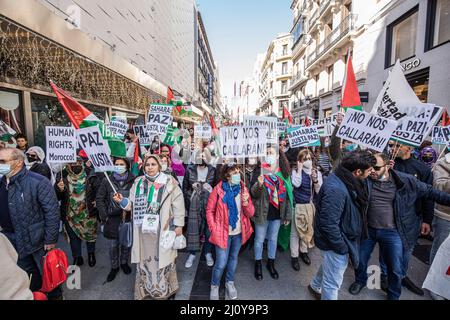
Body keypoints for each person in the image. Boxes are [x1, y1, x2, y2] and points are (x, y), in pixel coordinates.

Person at [348, 152, 450, 300]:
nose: (372, 171)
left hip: (393, 232)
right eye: (369, 168)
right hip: (368, 230)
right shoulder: (365, 181)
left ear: (388, 166)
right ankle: (360, 281)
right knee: (360, 260)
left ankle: (393, 294)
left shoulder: (405, 181)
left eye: (376, 168)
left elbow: (430, 192)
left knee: (395, 268)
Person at [113, 155, 185, 300]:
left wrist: (179, 225)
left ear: (159, 166)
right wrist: (122, 201)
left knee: (164, 261)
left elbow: (179, 205)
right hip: (143, 232)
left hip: (163, 230)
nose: (150, 167)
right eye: (147, 165)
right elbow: (131, 206)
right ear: (143, 167)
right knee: (146, 262)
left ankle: (167, 290)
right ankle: (145, 290)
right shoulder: (138, 182)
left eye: (153, 164)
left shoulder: (170, 182)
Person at [309, 150, 376, 300]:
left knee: (330, 264)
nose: (372, 173)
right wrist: (341, 247)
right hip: (337, 242)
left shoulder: (345, 178)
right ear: (358, 172)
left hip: (343, 237)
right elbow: (329, 224)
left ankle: (314, 285)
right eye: (370, 170)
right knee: (332, 284)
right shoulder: (336, 189)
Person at [0, 148, 61, 299]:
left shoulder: (38, 182)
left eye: (2, 161)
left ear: (18, 162)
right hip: (10, 239)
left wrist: (50, 239)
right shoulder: (2, 182)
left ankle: (55, 296)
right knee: (26, 275)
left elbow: (52, 212)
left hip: (37, 240)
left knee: (49, 273)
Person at [384, 142, 434, 295]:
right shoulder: (387, 164)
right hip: (390, 215)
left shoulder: (423, 169)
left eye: (398, 146)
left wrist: (427, 219)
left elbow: (428, 195)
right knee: (387, 249)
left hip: (412, 218)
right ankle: (385, 277)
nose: (394, 149)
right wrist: (386, 171)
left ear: (409, 148)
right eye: (392, 146)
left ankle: (401, 276)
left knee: (407, 250)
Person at [207, 164, 254, 300]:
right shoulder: (218, 190)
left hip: (238, 233)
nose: (237, 174)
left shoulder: (243, 189)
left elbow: (250, 213)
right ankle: (214, 285)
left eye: (239, 171)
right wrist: (213, 228)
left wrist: (246, 202)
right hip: (222, 232)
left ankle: (229, 282)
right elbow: (210, 211)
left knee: (233, 258)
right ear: (227, 175)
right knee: (221, 262)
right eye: (234, 172)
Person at [251, 147, 291, 281]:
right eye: (266, 153)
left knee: (273, 239)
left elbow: (289, 197)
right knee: (259, 240)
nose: (268, 155)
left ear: (278, 156)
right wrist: (259, 184)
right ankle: (258, 263)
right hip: (262, 212)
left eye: (271, 153)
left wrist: (287, 215)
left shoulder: (284, 173)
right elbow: (253, 193)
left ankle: (271, 263)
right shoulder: (260, 171)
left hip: (277, 213)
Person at [96, 157, 135, 282]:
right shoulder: (107, 180)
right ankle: (114, 267)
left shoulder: (134, 180)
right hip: (112, 219)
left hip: (127, 217)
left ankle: (124, 262)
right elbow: (99, 199)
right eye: (116, 164)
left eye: (121, 164)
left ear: (127, 166)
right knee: (113, 246)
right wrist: (104, 216)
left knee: (126, 243)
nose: (118, 166)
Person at [55, 157, 98, 267]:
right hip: (70, 214)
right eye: (73, 163)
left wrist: (97, 201)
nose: (76, 165)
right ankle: (77, 257)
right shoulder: (62, 176)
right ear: (68, 164)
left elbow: (98, 191)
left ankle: (91, 254)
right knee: (74, 238)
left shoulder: (90, 175)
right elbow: (56, 197)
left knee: (90, 235)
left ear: (82, 163)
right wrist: (59, 189)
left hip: (88, 213)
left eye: (78, 163)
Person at [291, 149, 323, 270]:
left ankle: (303, 252)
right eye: (305, 159)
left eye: (309, 159)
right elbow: (296, 184)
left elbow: (319, 191)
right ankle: (294, 256)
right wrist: (299, 170)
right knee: (295, 233)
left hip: (309, 205)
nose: (308, 161)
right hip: (297, 205)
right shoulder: (295, 171)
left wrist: (315, 180)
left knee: (307, 229)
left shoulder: (316, 173)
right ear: (300, 161)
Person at [183, 152, 216, 269]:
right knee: (193, 228)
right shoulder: (190, 169)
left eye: (203, 156)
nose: (201, 158)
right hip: (194, 204)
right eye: (199, 155)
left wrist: (210, 190)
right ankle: (192, 254)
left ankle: (207, 252)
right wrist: (191, 195)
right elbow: (185, 188)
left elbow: (217, 187)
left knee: (208, 231)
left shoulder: (213, 170)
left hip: (209, 204)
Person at [430, 151, 450, 286]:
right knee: (440, 252)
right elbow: (438, 185)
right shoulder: (444, 162)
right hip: (446, 216)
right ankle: (434, 284)